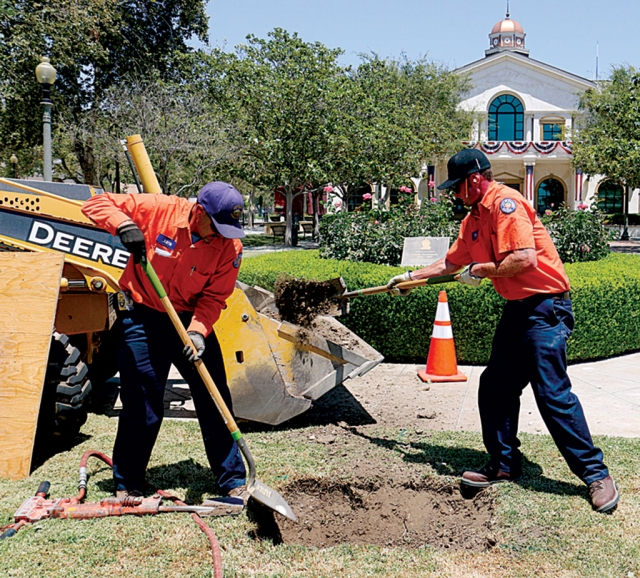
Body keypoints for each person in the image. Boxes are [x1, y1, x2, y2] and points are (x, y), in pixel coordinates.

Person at [387, 149, 619, 513]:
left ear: (475, 179)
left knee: (552, 394)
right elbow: (452, 261)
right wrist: (410, 278)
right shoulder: (473, 218)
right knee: (496, 386)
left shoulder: (505, 203)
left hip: (546, 307)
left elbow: (524, 258)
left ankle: (596, 475)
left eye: (458, 187)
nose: (454, 194)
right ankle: (504, 464)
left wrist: (481, 271)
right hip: (519, 310)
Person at [82, 181, 248, 504]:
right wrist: (124, 225)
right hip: (145, 316)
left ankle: (232, 479)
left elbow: (215, 297)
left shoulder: (230, 249)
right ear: (199, 212)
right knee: (142, 402)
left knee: (215, 396)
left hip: (189, 320)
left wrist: (199, 331)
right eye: (218, 227)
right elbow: (95, 205)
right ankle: (127, 482)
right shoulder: (160, 210)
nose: (222, 237)